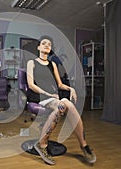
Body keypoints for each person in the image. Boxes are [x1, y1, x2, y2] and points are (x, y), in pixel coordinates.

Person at [26, 35, 96, 165]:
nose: (47, 45)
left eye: (49, 44)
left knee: (69, 105)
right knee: (61, 106)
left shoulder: (53, 64)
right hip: (40, 97)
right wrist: (48, 94)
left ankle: (84, 145)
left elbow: (59, 84)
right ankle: (42, 144)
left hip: (53, 97)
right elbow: (31, 85)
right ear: (38, 47)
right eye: (44, 43)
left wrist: (71, 89)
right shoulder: (32, 63)